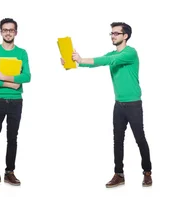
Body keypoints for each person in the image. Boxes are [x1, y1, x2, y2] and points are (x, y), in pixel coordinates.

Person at [61, 22, 153, 188]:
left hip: (133, 104)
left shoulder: (130, 52)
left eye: (116, 33)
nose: (113, 36)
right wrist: (72, 63)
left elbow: (106, 60)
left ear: (125, 36)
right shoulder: (112, 53)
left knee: (140, 138)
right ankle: (119, 174)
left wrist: (81, 60)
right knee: (117, 140)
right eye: (111, 33)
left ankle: (147, 173)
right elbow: (99, 62)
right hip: (118, 105)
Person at [0, 18, 31, 188]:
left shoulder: (22, 53)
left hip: (16, 102)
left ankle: (9, 172)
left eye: (11, 30)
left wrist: (3, 76)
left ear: (16, 32)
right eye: (5, 30)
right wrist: (9, 83)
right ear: (1, 32)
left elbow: (27, 77)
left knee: (12, 137)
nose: (8, 33)